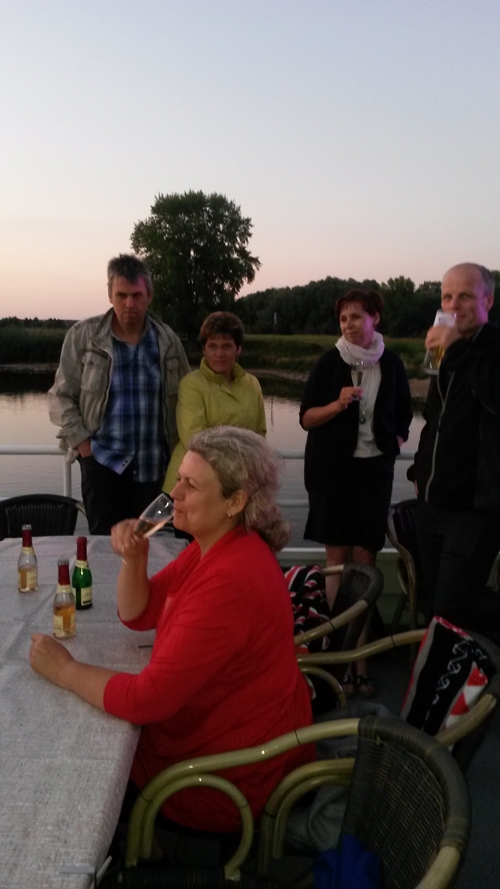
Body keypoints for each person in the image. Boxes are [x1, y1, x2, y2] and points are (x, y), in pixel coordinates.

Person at [29, 427, 314, 833]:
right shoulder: (211, 546)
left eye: (191, 485)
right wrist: (134, 559)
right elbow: (139, 614)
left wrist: (64, 670)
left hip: (225, 775)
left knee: (78, 772)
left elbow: (146, 702)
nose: (174, 493)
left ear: (235, 502)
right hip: (223, 732)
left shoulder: (231, 581)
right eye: (178, 479)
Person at [300, 290, 412, 695]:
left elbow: (404, 415)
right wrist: (337, 405)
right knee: (336, 563)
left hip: (373, 474)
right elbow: (306, 418)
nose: (348, 324)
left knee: (365, 561)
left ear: (374, 318)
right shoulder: (329, 363)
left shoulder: (392, 363)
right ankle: (339, 661)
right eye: (343, 318)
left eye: (356, 317)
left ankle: (360, 661)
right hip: (333, 473)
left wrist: (394, 440)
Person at [48, 254, 190, 534]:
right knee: (104, 545)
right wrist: (84, 446)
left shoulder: (168, 340)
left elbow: (187, 396)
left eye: (137, 295)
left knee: (153, 544)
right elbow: (59, 396)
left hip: (155, 470)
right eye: (121, 295)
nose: (129, 303)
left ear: (149, 295)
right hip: (102, 467)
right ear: (110, 295)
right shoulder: (83, 336)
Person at [409, 262, 500, 629]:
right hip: (432, 505)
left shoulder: (491, 348)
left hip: (474, 510)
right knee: (434, 605)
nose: (453, 305)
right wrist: (419, 470)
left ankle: (454, 665)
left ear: (487, 301)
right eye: (447, 297)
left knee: (451, 614)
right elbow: (435, 417)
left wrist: (458, 350)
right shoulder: (447, 349)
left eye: (464, 296)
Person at [163, 311, 266, 493]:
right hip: (191, 485)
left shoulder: (252, 384)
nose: (219, 353)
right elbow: (196, 439)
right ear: (204, 349)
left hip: (236, 485)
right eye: (212, 346)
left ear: (238, 349)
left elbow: (259, 435)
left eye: (227, 346)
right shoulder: (191, 384)